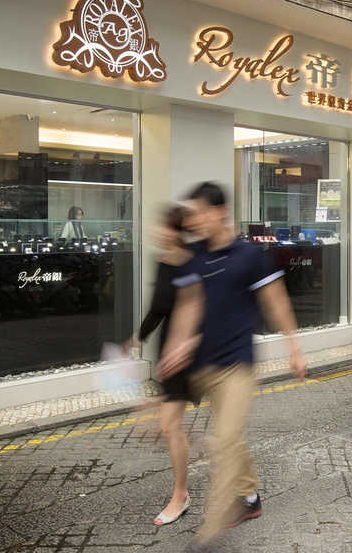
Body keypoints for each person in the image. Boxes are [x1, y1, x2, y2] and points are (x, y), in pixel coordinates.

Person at [158, 181, 306, 553]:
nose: (196, 220)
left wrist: (294, 346)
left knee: (222, 440)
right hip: (202, 364)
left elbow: (276, 301)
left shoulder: (249, 256)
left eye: (201, 212)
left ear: (220, 211)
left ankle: (209, 531)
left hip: (237, 365)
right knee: (231, 437)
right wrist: (178, 343)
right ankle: (250, 497)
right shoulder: (196, 255)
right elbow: (189, 304)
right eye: (192, 214)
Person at [122, 205, 200, 526]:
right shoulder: (164, 262)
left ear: (178, 231)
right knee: (168, 425)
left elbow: (202, 313)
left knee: (170, 426)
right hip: (167, 349)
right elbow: (158, 309)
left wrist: (187, 345)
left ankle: (180, 495)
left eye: (166, 227)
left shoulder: (194, 265)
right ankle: (200, 456)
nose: (160, 232)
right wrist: (137, 337)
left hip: (187, 353)